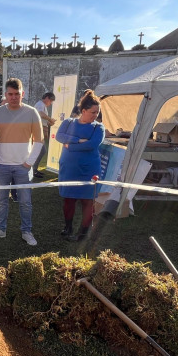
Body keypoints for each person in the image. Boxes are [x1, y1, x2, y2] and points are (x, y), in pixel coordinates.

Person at [0, 78, 44, 246]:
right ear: (5, 94)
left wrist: (29, 163)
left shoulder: (32, 112)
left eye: (17, 94)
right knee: (1, 201)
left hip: (23, 167)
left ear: (22, 94)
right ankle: (0, 229)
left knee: (25, 202)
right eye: (10, 94)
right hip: (1, 166)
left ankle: (26, 231)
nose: (13, 97)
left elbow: (39, 140)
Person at [56, 89, 105, 242]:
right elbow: (59, 136)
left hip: (89, 170)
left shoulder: (99, 128)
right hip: (69, 169)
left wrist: (70, 145)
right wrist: (78, 140)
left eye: (97, 112)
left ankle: (83, 232)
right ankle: (68, 226)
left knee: (87, 201)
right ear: (83, 111)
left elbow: (92, 145)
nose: (95, 115)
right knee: (68, 199)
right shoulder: (68, 122)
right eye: (93, 112)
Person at [33, 91, 57, 176]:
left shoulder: (42, 105)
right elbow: (40, 113)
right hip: (38, 131)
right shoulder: (40, 104)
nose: (50, 103)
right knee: (41, 151)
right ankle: (33, 170)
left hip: (41, 130)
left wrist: (49, 123)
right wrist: (50, 119)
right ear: (46, 98)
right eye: (50, 101)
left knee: (40, 151)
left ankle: (34, 169)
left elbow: (43, 119)